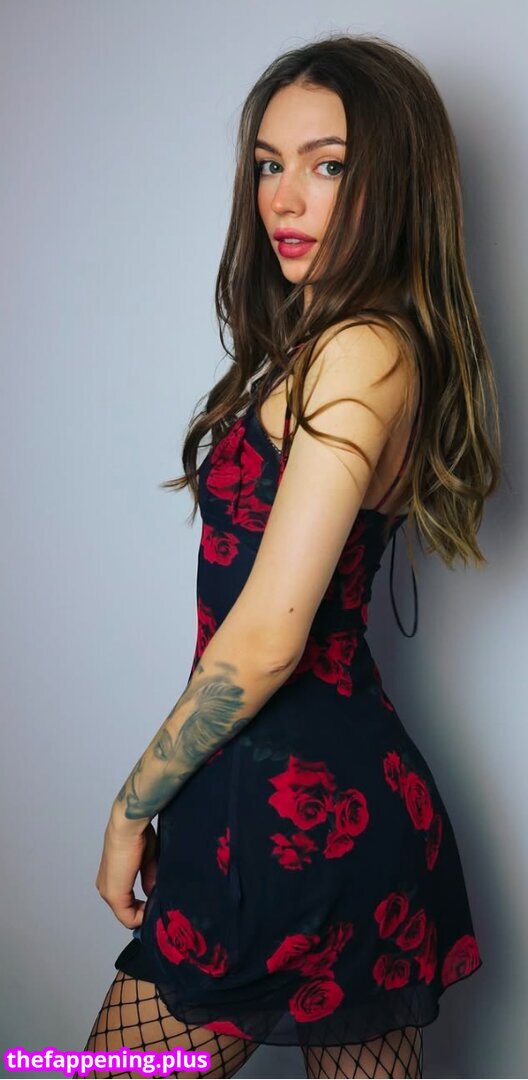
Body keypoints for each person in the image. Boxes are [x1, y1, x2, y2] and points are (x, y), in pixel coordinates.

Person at [75, 33, 500, 1080]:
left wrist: (129, 810)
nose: (284, 197)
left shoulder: (361, 349)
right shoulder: (343, 346)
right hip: (312, 810)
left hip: (288, 823)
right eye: (269, 163)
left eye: (328, 164)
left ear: (392, 180)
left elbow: (266, 639)